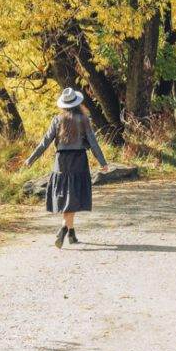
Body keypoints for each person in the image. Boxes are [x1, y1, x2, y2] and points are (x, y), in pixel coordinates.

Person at [24, 86, 109, 247]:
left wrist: (31, 159)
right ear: (77, 104)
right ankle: (64, 228)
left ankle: (71, 234)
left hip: (61, 161)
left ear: (63, 105)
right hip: (78, 160)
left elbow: (45, 142)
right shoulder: (84, 120)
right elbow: (93, 143)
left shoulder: (57, 120)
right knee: (73, 195)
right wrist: (102, 162)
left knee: (67, 196)